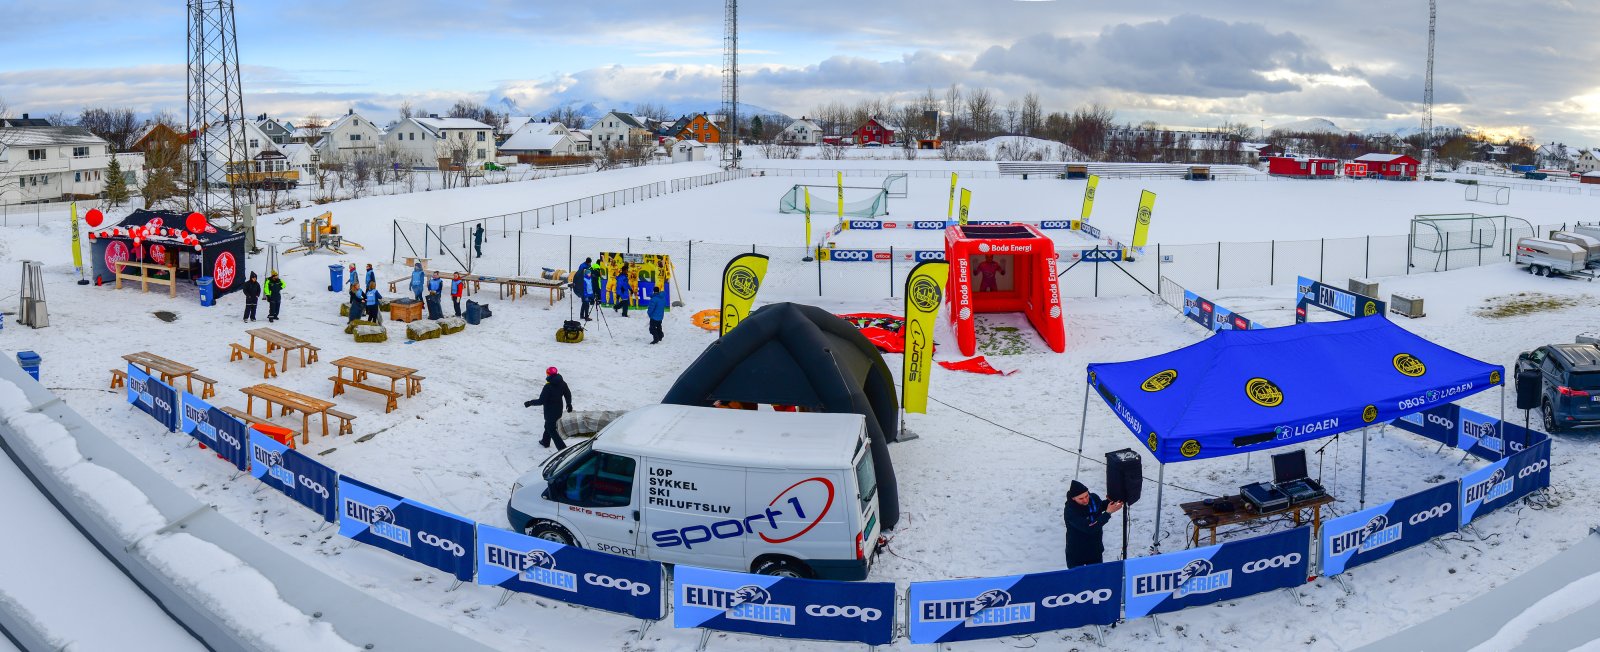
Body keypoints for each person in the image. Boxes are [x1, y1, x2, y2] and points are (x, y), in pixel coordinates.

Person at [1063, 480, 1122, 568]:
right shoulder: (1070, 511)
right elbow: (1089, 527)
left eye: (1086, 496)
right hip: (1077, 554)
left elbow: (1101, 506)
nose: (1085, 500)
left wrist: (1112, 500)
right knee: (1078, 580)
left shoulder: (1093, 498)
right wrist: (1108, 513)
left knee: (1097, 579)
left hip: (1095, 550)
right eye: (1081, 498)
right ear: (1073, 498)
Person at [523, 367, 574, 449]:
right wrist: (569, 404)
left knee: (552, 430)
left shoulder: (548, 386)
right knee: (548, 426)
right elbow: (568, 394)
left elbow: (541, 401)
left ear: (548, 374)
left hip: (550, 411)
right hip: (558, 410)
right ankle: (545, 441)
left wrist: (530, 403)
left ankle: (562, 449)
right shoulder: (563, 383)